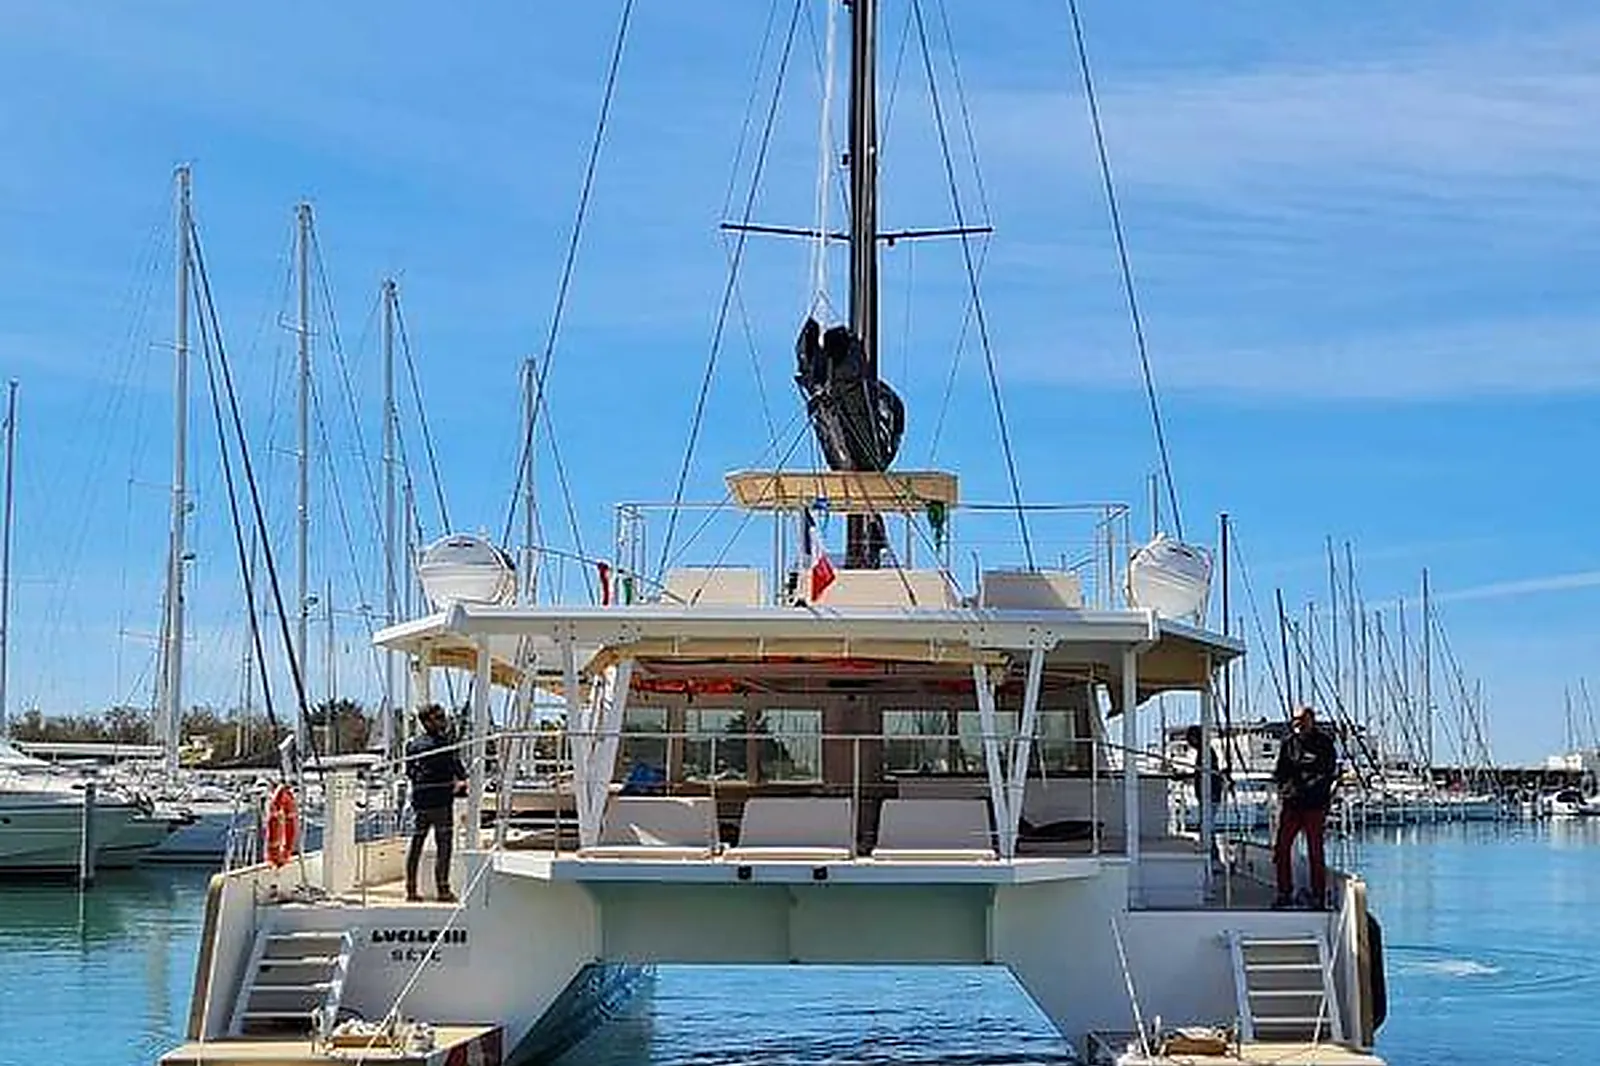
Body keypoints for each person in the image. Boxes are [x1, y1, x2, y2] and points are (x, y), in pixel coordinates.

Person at [1271, 706, 1337, 909]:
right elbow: (1280, 772)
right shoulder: (1288, 744)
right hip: (1292, 804)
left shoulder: (1324, 744)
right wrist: (1286, 791)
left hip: (1314, 806)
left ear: (1311, 720)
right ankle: (1284, 893)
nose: (1298, 723)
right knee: (1281, 849)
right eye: (1294, 720)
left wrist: (1311, 789)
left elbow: (1327, 773)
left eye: (1301, 719)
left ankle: (1318, 895)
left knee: (1315, 851)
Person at [404, 703, 467, 903]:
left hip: (421, 801)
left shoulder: (413, 744)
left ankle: (411, 890)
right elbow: (458, 769)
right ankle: (443, 890)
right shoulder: (445, 743)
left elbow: (410, 771)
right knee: (444, 846)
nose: (443, 720)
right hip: (441, 802)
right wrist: (460, 783)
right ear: (428, 721)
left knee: (416, 846)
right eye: (439, 717)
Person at [1184, 724, 1228, 809]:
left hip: (1210, 791)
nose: (1189, 742)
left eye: (1191, 738)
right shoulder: (1204, 751)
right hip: (1207, 791)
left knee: (1208, 811)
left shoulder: (1206, 752)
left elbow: (1208, 770)